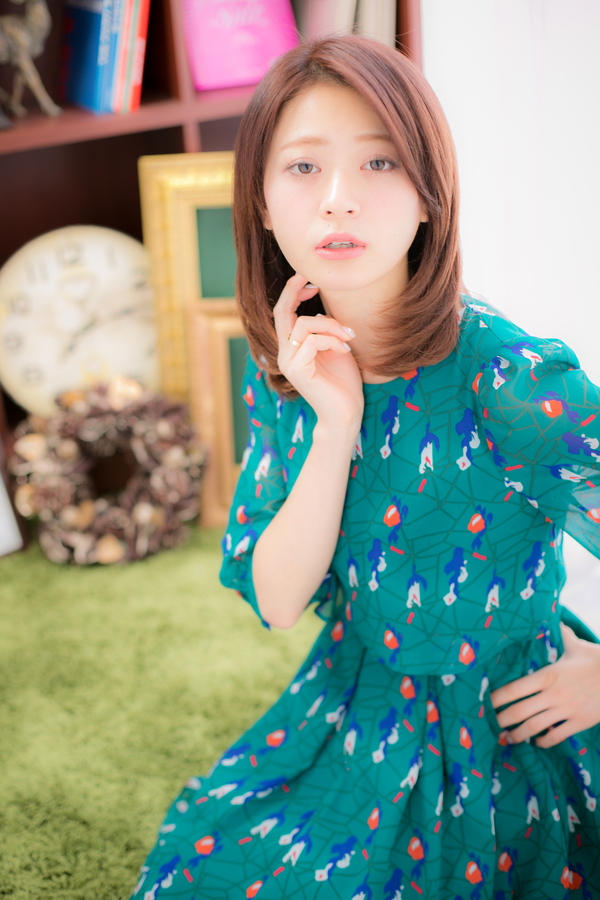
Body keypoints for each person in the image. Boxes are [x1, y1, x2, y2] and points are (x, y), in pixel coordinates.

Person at [131, 35, 600, 899]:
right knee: (208, 870)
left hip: (504, 719)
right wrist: (334, 420)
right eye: (303, 167)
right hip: (359, 693)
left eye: (379, 162)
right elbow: (278, 599)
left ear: (428, 196)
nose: (338, 199)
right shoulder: (289, 363)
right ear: (261, 203)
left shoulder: (511, 379)